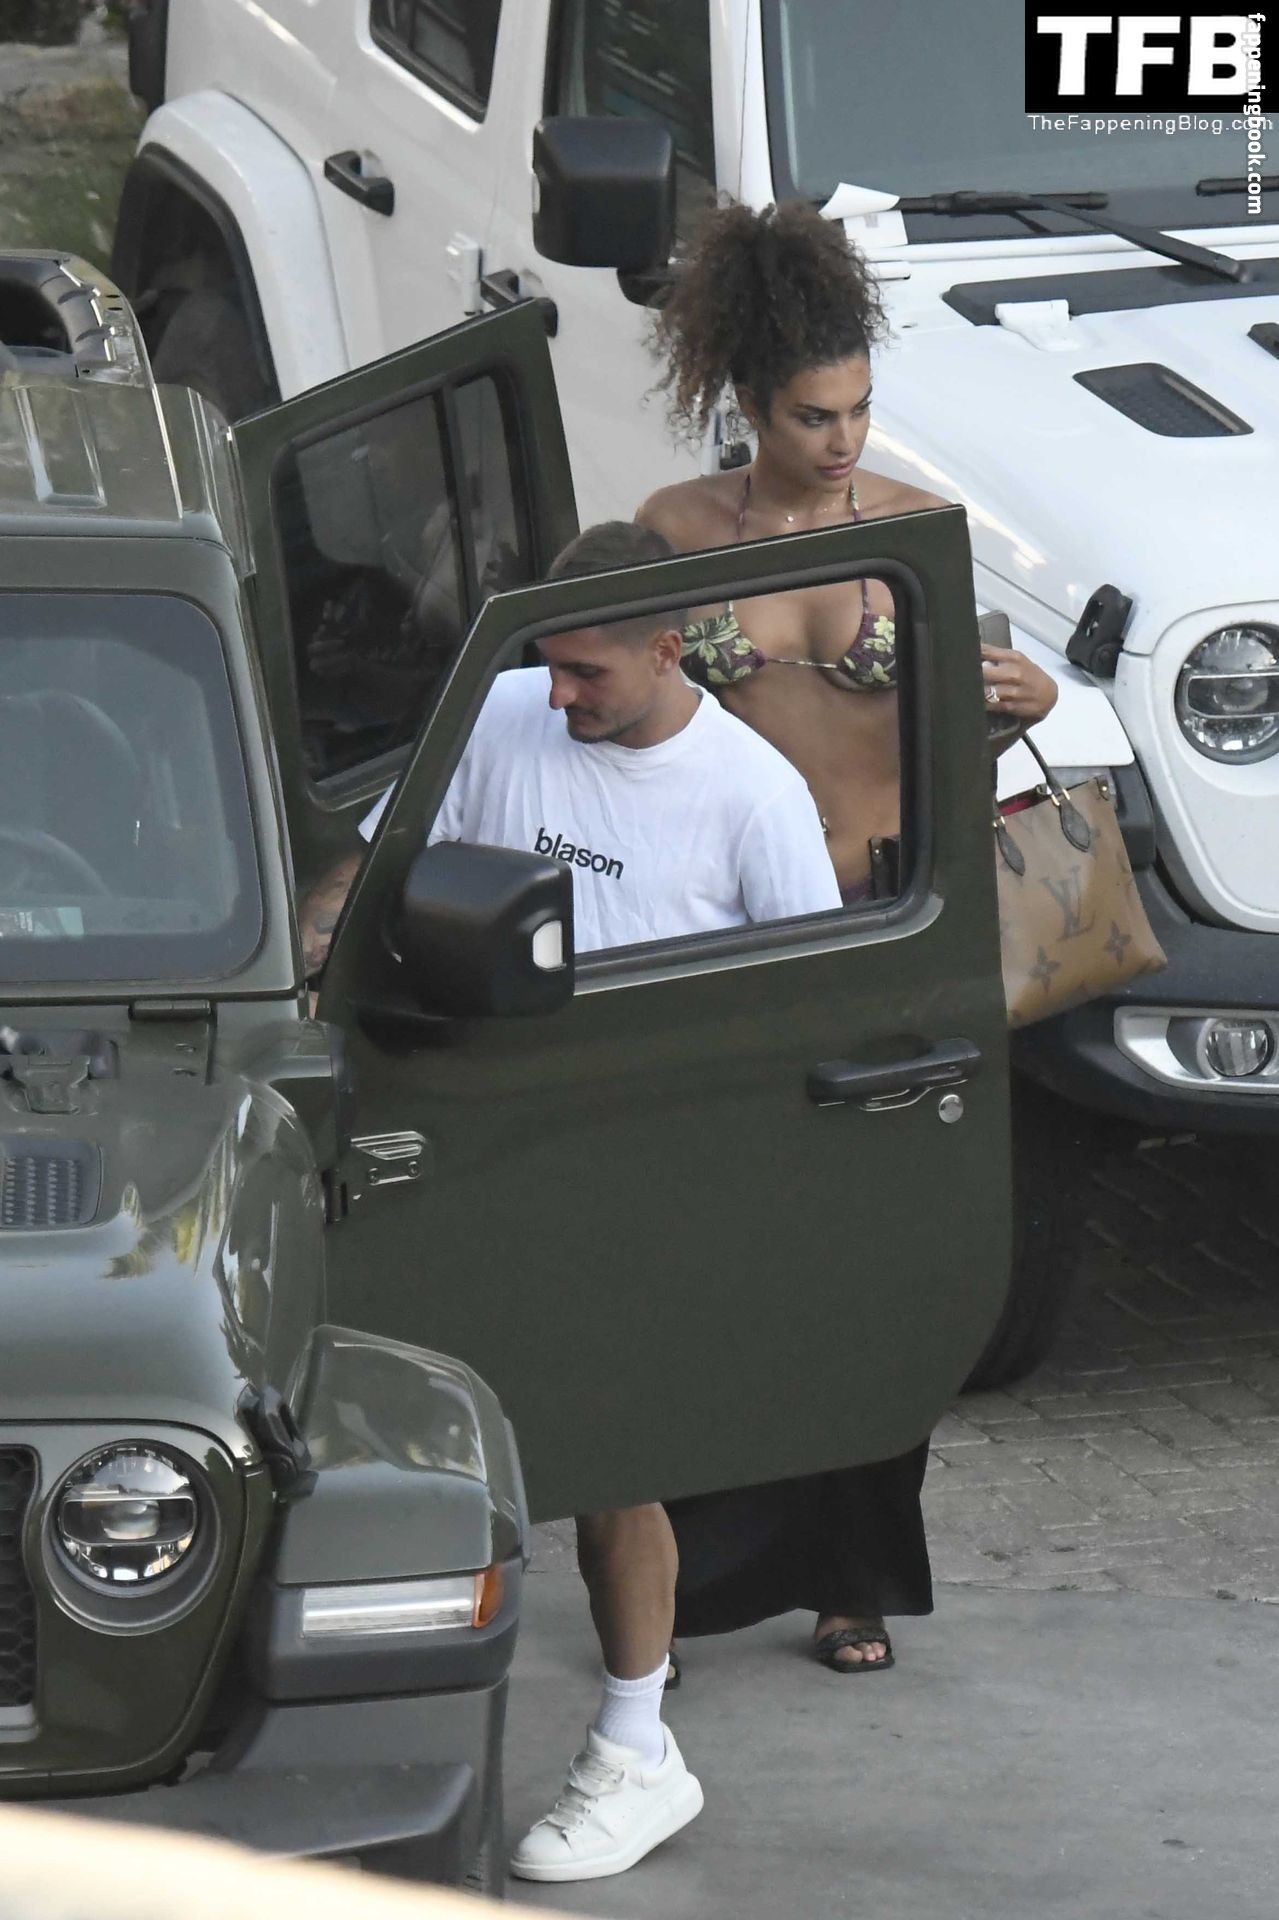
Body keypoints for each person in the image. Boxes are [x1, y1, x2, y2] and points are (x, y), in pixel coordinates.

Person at [300, 520, 843, 1883]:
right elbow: (373, 866)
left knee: (610, 1456)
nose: (556, 694)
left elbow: (804, 1025)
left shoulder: (755, 799)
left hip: (628, 1172)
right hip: (455, 1138)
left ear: (669, 648)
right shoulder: (503, 708)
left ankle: (635, 1749)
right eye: (548, 664)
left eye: (587, 673)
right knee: (385, 1433)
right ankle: (349, 1726)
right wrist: (300, 958)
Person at [635, 199, 1059, 1677]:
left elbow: (968, 725)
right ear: (750, 403)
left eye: (860, 409)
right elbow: (602, 697)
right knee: (716, 1264)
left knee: (875, 1272)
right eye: (814, 414)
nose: (843, 438)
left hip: (888, 930)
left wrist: (1025, 701)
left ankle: (853, 1578)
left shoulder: (913, 533)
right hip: (730, 946)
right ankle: (681, 1582)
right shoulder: (673, 532)